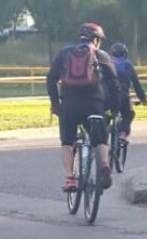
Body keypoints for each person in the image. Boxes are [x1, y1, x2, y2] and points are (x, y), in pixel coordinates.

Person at [47, 22, 121, 193]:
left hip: (69, 104)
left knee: (67, 141)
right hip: (93, 104)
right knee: (100, 139)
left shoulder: (65, 53)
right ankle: (104, 165)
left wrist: (55, 104)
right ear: (96, 40)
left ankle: (70, 178)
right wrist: (113, 108)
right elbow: (114, 84)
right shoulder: (100, 55)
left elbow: (51, 78)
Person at [108, 42, 147, 143]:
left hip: (107, 96)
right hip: (122, 96)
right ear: (125, 54)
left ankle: (103, 133)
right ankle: (122, 134)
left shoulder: (107, 63)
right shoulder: (127, 65)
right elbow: (136, 84)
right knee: (129, 113)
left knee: (105, 115)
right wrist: (143, 99)